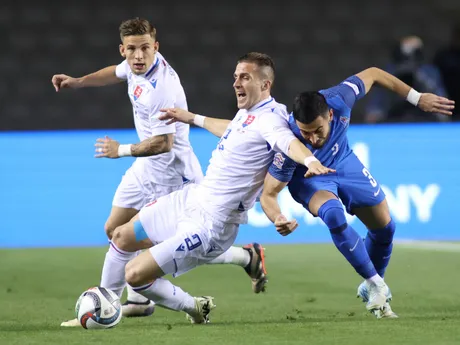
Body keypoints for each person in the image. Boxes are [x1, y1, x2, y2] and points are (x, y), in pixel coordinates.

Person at [51, 19, 267, 326]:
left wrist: (121, 150)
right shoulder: (131, 65)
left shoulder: (162, 88)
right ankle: (133, 301)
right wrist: (78, 81)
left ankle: (111, 306)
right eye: (131, 49)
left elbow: (164, 144)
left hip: (173, 175)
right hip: (145, 169)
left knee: (172, 246)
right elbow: (114, 72)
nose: (138, 56)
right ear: (123, 49)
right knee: (115, 230)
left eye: (144, 48)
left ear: (156, 47)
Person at [96, 52, 334, 324]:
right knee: (121, 235)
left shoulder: (271, 120)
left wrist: (310, 159)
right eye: (235, 77)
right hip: (193, 199)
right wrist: (192, 118)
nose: (236, 83)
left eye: (245, 77)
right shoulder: (250, 114)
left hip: (211, 226)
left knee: (135, 276)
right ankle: (104, 301)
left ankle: (195, 306)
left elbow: (286, 143)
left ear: (266, 85)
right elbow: (231, 128)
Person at [260, 67, 454, 318]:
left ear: (330, 114)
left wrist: (416, 98)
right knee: (334, 216)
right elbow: (268, 194)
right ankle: (377, 285)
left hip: (344, 162)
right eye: (305, 132)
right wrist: (277, 217)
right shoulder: (288, 143)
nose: (312, 138)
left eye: (317, 130)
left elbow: (374, 74)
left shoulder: (340, 98)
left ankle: (372, 285)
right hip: (310, 179)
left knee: (385, 228)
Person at [365, 36, 448, 123]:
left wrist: (421, 80)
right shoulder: (389, 73)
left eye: (414, 53)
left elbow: (443, 113)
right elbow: (373, 113)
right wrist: (394, 82)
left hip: (424, 121)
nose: (409, 60)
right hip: (394, 121)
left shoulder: (429, 72)